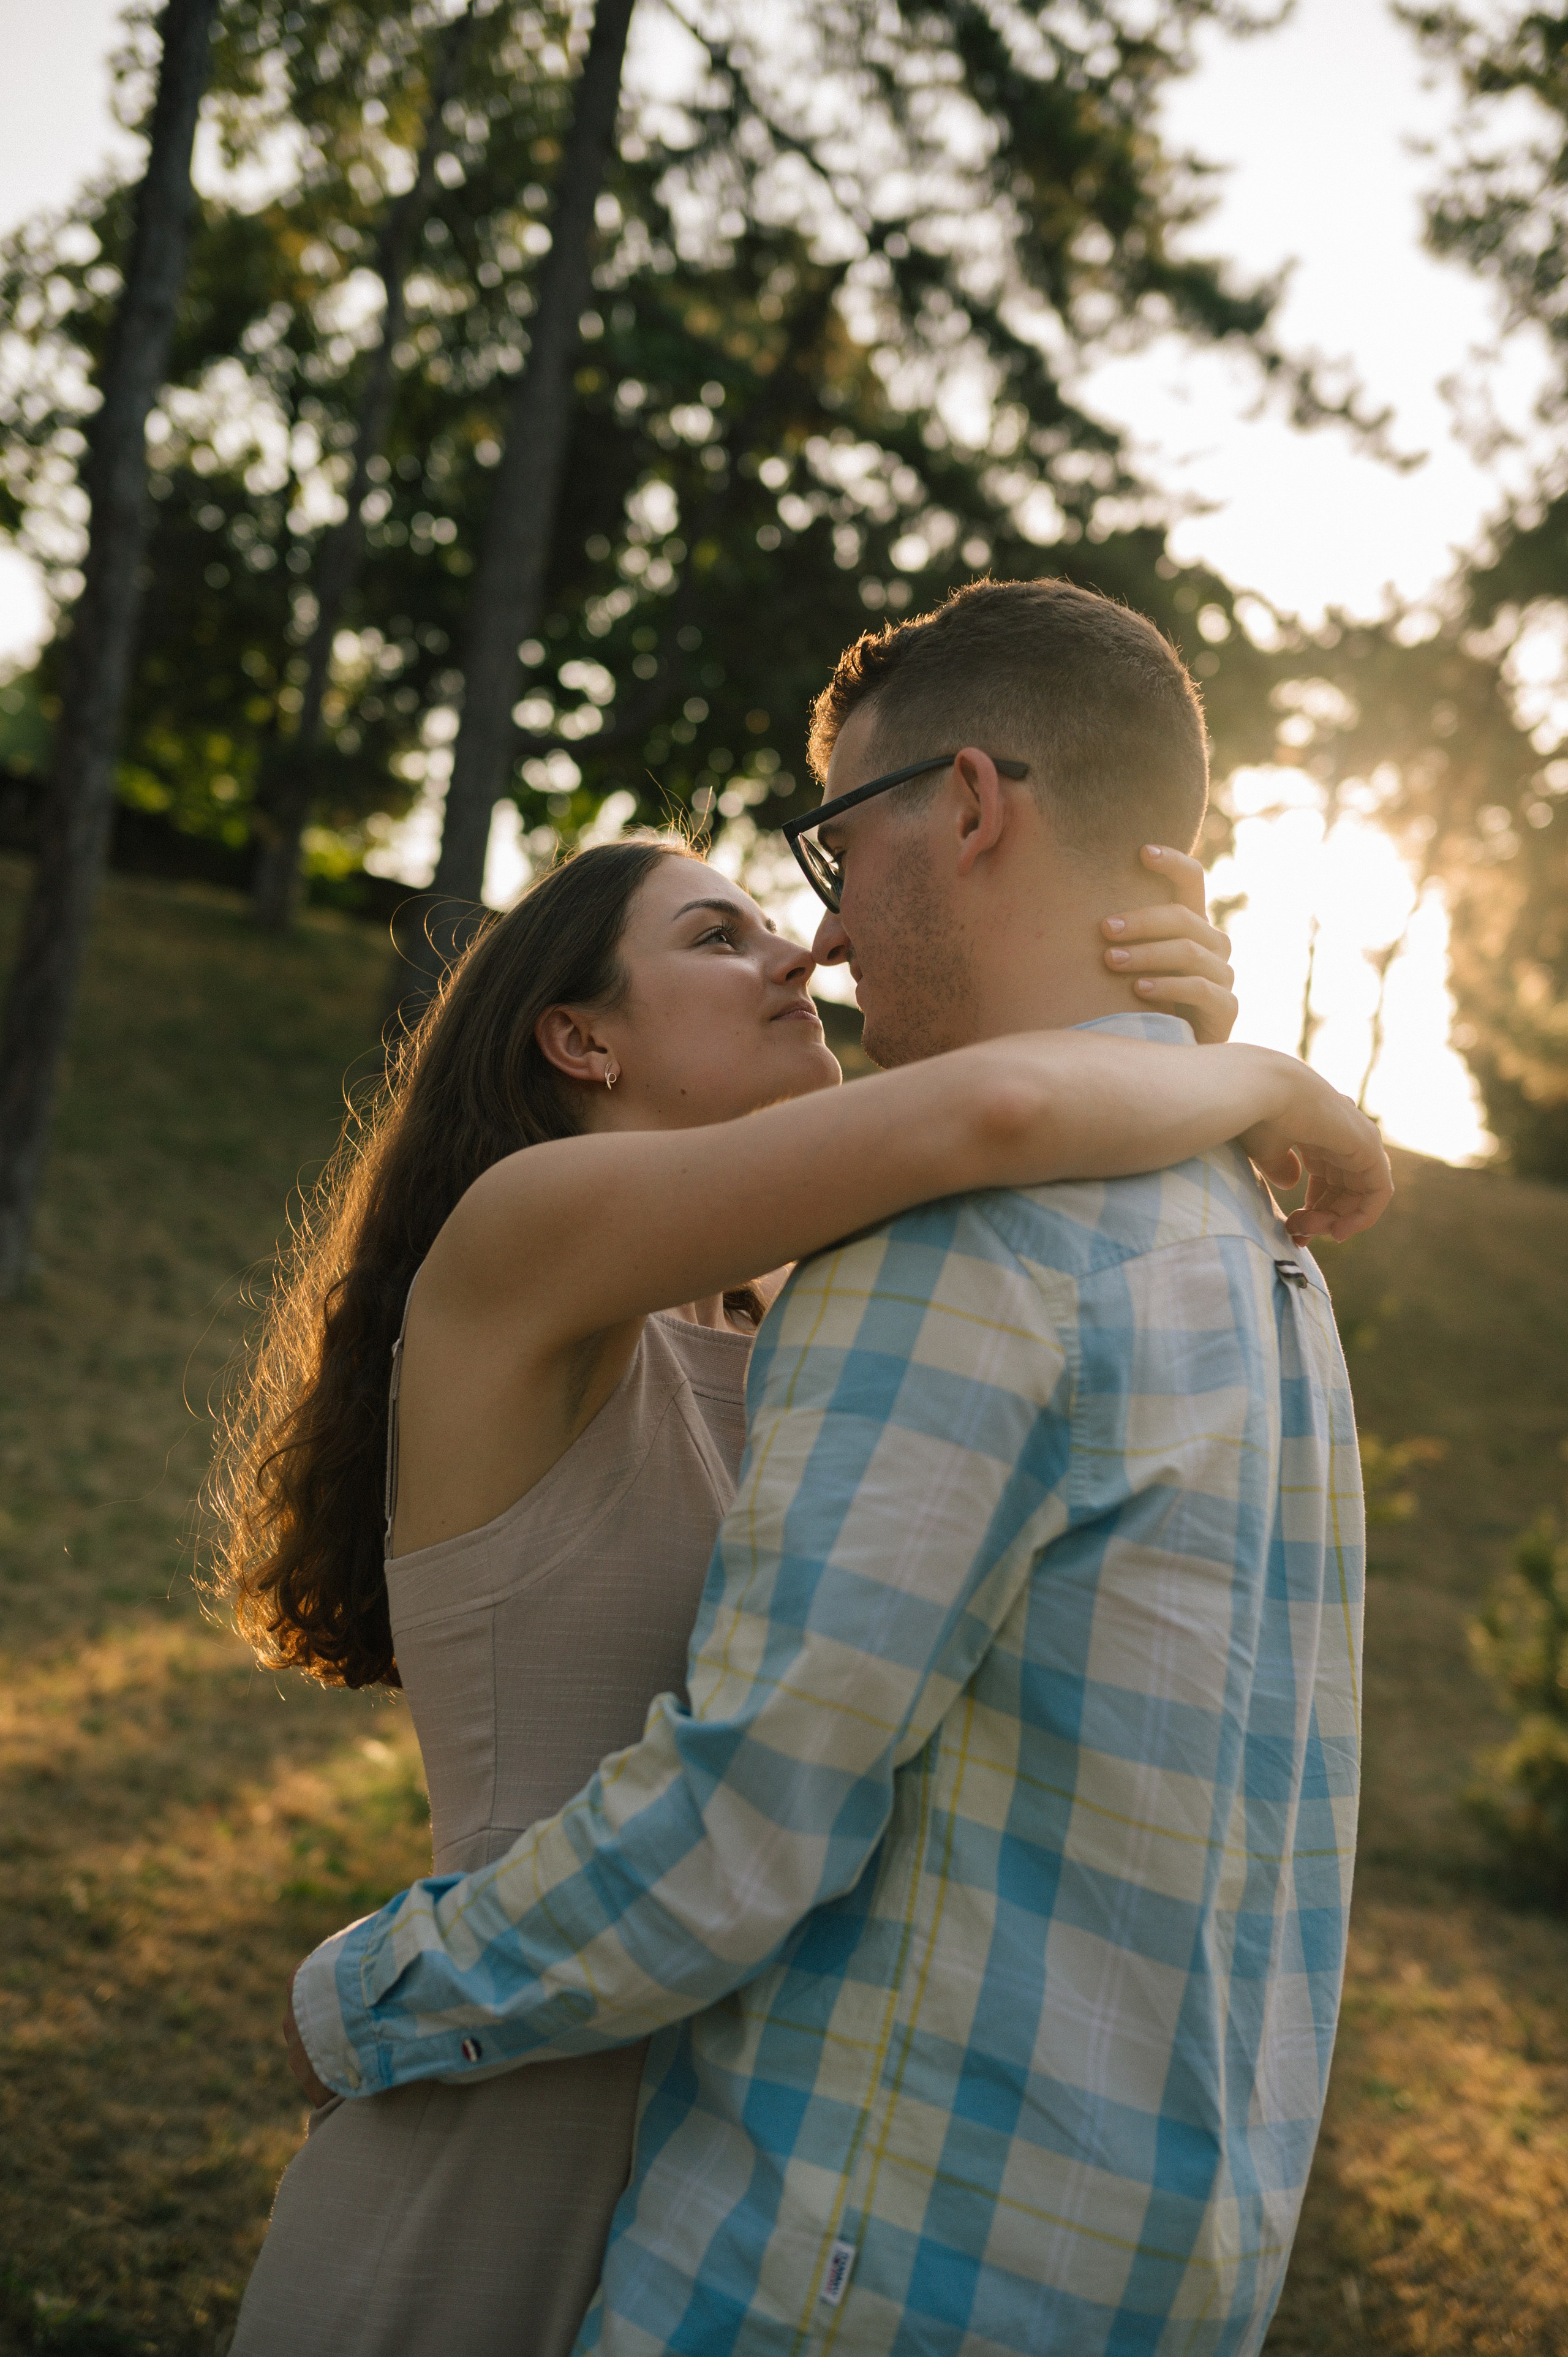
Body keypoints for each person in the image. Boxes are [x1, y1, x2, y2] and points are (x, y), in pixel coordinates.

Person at [247, 581, 1386, 2357]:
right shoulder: (530, 1229)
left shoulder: (821, 1284)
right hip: (510, 2095)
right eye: (724, 935)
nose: (814, 951)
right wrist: (1246, 1073)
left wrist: (1199, 1061)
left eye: (817, 886)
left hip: (709, 2130)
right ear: (580, 1037)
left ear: (972, 809)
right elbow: (1003, 1110)